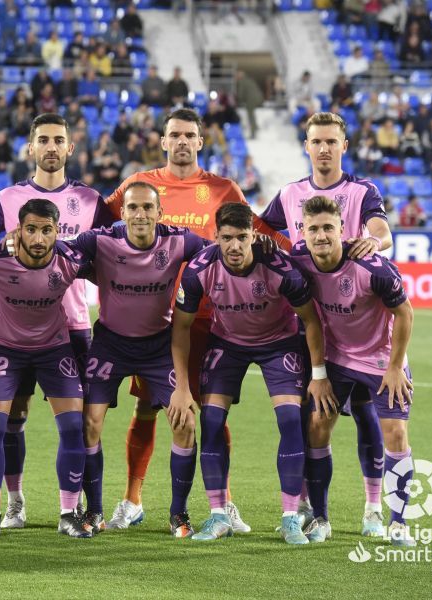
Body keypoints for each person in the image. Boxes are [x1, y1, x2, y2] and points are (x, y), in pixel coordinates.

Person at [103, 108, 288, 532]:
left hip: (207, 318)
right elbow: (100, 223)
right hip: (151, 317)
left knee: (210, 412)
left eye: (190, 135)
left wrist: (300, 252)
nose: (182, 141)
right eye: (175, 135)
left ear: (201, 142)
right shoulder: (139, 186)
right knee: (148, 409)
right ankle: (131, 500)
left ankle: (222, 504)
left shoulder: (224, 189)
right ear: (163, 141)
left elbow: (255, 232)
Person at [0, 113, 115, 529]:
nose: (50, 147)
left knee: (84, 423)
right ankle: (14, 503)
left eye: (58, 140)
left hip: (73, 324)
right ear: (30, 147)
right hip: (12, 328)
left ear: (70, 147)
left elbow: (113, 250)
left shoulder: (93, 201)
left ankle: (84, 509)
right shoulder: (7, 200)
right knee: (12, 416)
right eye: (42, 139)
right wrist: (1, 241)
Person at [259, 111, 394, 533]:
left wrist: (374, 240)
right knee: (310, 415)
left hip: (360, 322)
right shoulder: (290, 193)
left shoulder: (361, 190)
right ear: (306, 145)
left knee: (368, 414)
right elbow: (262, 230)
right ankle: (306, 505)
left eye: (331, 142)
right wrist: (283, 250)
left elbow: (381, 231)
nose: (323, 149)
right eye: (316, 141)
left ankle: (373, 507)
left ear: (343, 146)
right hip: (313, 325)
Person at [173, 203, 333, 545]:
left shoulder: (280, 268)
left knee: (291, 421)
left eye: (242, 238)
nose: (234, 246)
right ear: (215, 236)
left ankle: (291, 518)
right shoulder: (199, 269)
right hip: (227, 344)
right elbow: (181, 328)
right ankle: (219, 515)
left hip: (279, 344)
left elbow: (310, 320)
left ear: (253, 236)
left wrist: (318, 373)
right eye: (227, 238)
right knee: (212, 422)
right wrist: (182, 387)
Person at [69, 182, 209, 536]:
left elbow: (217, 254)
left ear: (160, 213)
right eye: (133, 208)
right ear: (124, 212)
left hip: (159, 346)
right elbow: (59, 251)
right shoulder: (100, 240)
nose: (141, 214)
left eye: (148, 207)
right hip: (110, 344)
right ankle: (95, 512)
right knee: (89, 423)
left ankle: (179, 514)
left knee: (185, 423)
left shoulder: (180, 240)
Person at [0, 199, 93, 539]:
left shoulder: (72, 259)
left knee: (74, 427)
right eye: (30, 229)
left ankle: (68, 513)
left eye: (46, 230)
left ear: (57, 232)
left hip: (54, 349)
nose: (38, 238)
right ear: (18, 230)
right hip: (4, 349)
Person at [291, 196, 417, 547]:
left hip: (380, 360)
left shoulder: (373, 267)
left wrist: (395, 367)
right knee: (317, 426)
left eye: (328, 228)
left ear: (342, 230)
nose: (320, 236)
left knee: (395, 435)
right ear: (303, 231)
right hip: (337, 358)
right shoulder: (298, 261)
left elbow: (404, 313)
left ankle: (398, 523)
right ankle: (321, 518)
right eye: (313, 228)